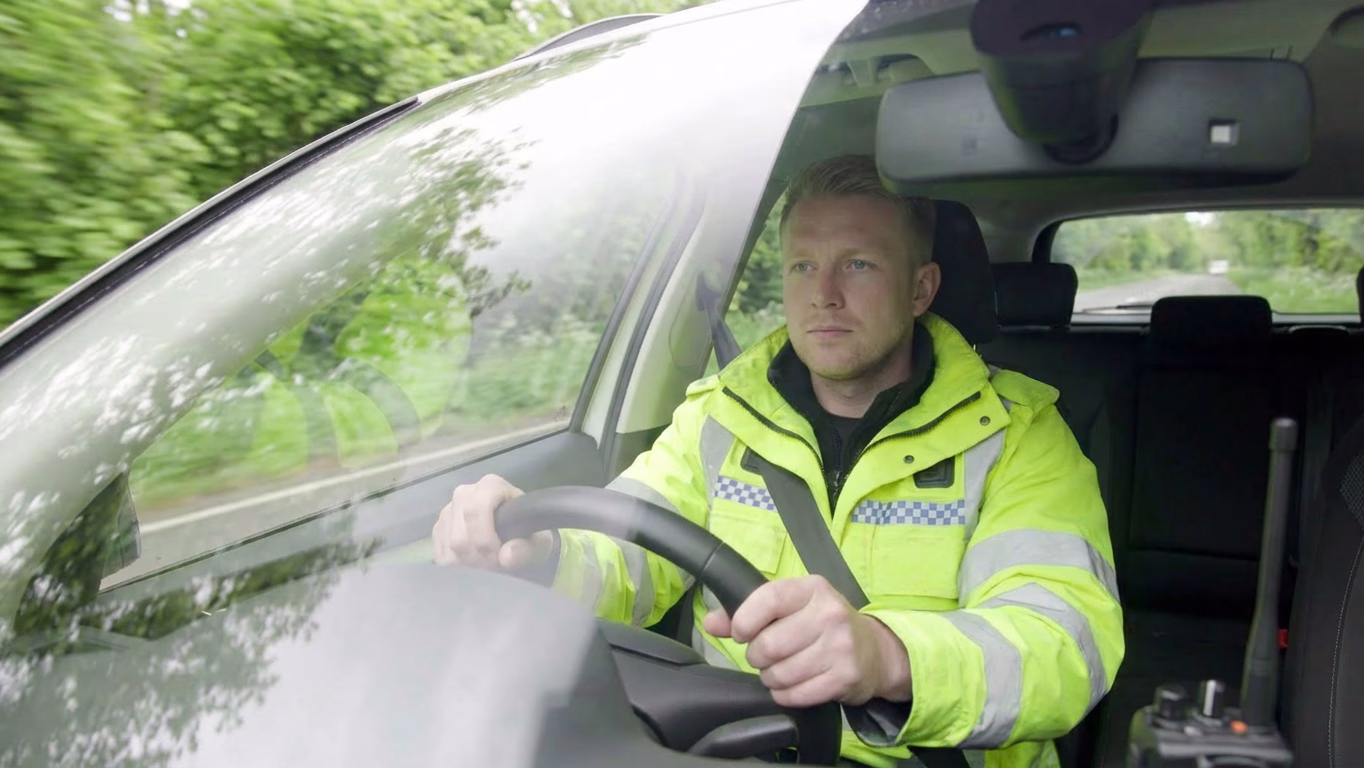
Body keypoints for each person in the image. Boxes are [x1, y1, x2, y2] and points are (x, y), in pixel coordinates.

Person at [432, 155, 1123, 768]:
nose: (823, 293)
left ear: (921, 288)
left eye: (858, 263)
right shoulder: (718, 414)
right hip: (729, 745)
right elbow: (626, 556)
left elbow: (1064, 640)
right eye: (802, 265)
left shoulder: (1018, 432)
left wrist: (888, 655)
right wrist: (540, 554)